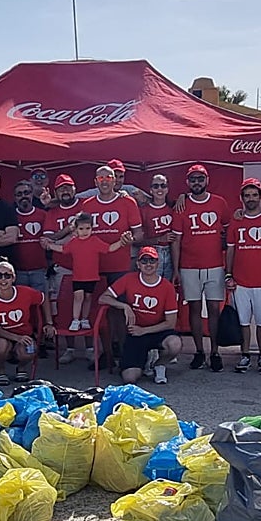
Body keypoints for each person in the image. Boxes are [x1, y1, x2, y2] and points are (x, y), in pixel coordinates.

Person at [79, 164, 144, 362]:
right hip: (93, 266)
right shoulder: (88, 205)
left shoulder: (128, 202)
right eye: (101, 178)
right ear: (95, 182)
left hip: (120, 265)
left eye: (109, 177)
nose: (105, 181)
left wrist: (129, 239)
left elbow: (139, 234)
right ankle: (103, 355)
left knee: (119, 310)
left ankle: (123, 353)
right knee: (96, 311)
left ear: (115, 180)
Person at [171, 164, 230, 372]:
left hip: (215, 265)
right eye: (193, 179)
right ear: (188, 182)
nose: (197, 182)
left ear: (207, 180)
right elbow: (176, 241)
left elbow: (229, 229)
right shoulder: (181, 205)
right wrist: (177, 269)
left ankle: (215, 352)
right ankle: (199, 351)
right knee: (194, 310)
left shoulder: (219, 202)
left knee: (214, 310)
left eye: (200, 178)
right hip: (189, 266)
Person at [225, 178, 261, 374]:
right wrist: (229, 275)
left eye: (254, 195)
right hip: (240, 281)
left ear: (260, 196)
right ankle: (245, 355)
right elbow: (231, 250)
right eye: (247, 195)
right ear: (241, 198)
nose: (251, 199)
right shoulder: (237, 220)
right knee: (243, 322)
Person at [101, 246, 182, 384]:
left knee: (174, 344)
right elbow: (103, 298)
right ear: (138, 264)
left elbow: (170, 323)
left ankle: (158, 364)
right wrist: (124, 305)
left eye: (152, 261)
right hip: (135, 333)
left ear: (157, 263)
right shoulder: (129, 279)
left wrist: (143, 330)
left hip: (156, 331)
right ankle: (142, 360)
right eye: (144, 261)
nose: (148, 264)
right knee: (129, 378)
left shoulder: (166, 286)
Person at [42, 213, 132, 331]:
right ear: (76, 229)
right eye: (81, 229)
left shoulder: (95, 241)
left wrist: (121, 242)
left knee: (88, 297)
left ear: (92, 228)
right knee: (78, 297)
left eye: (88, 228)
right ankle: (75, 320)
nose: (85, 231)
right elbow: (63, 249)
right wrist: (50, 246)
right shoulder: (74, 242)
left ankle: (84, 319)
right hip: (78, 277)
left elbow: (109, 248)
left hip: (92, 277)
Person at [0, 259, 55, 386]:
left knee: (30, 350)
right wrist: (17, 338)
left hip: (25, 334)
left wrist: (49, 323)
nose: (3, 279)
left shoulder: (25, 292)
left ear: (13, 278)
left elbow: (43, 299)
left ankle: (21, 368)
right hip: (3, 336)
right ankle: (1, 372)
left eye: (7, 275)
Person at [45, 174, 85, 363]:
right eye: (61, 188)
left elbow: (83, 236)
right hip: (63, 267)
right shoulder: (52, 212)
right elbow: (46, 241)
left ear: (75, 189)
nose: (65, 191)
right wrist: (69, 231)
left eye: (68, 187)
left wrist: (58, 240)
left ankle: (91, 348)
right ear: (56, 192)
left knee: (87, 306)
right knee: (65, 307)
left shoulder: (85, 205)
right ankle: (69, 348)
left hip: (86, 265)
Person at [12, 180, 49, 293]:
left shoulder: (43, 214)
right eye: (19, 194)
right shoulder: (11, 215)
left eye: (26, 192)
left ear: (32, 194)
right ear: (15, 198)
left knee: (42, 302)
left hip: (40, 269)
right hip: (18, 271)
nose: (24, 196)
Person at [140, 174, 177, 281]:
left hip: (172, 253)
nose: (159, 189)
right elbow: (137, 241)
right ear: (151, 190)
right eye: (156, 186)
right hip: (152, 254)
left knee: (168, 287)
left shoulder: (174, 208)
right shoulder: (143, 211)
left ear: (167, 189)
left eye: (163, 186)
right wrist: (159, 240)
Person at [75, 159, 148, 204]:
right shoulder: (96, 192)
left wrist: (144, 200)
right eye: (115, 176)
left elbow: (152, 200)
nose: (118, 180)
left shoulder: (130, 189)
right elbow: (76, 198)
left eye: (121, 177)